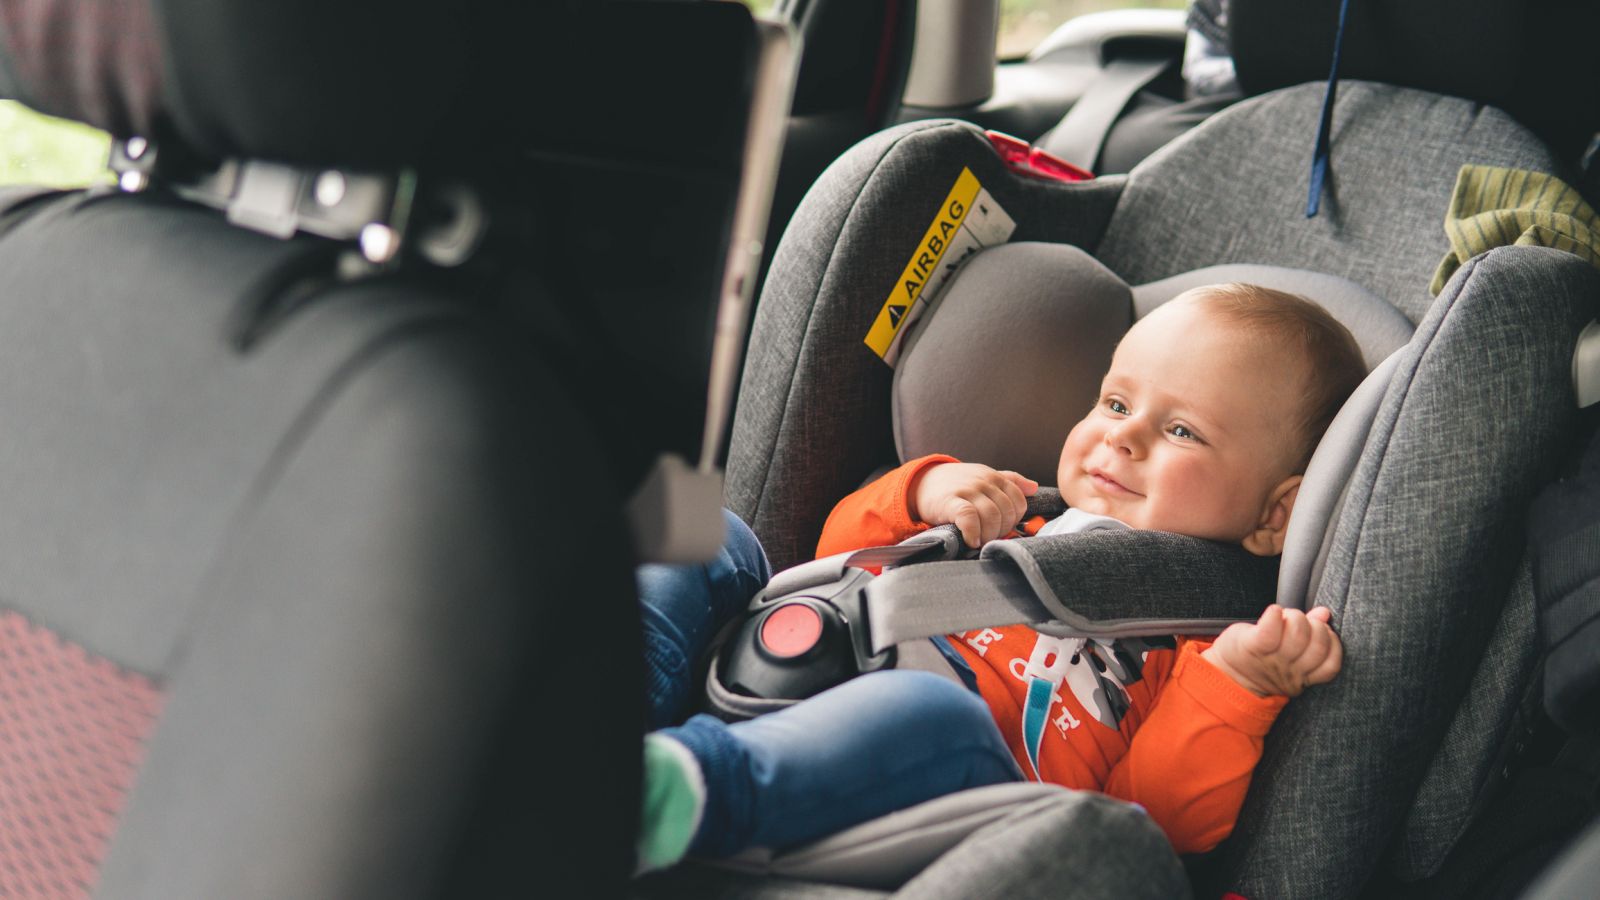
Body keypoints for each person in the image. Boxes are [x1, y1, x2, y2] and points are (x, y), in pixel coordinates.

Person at [635, 283, 1366, 872]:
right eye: (1115, 403)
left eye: (1181, 431)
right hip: (791, 662)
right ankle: (608, 711)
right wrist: (920, 492)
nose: (1122, 436)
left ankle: (665, 797)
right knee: (710, 532)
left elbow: (1157, 818)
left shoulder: (1200, 651)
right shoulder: (1017, 518)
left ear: (1275, 515)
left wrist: (1240, 688)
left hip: (946, 781)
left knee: (929, 713)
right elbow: (833, 562)